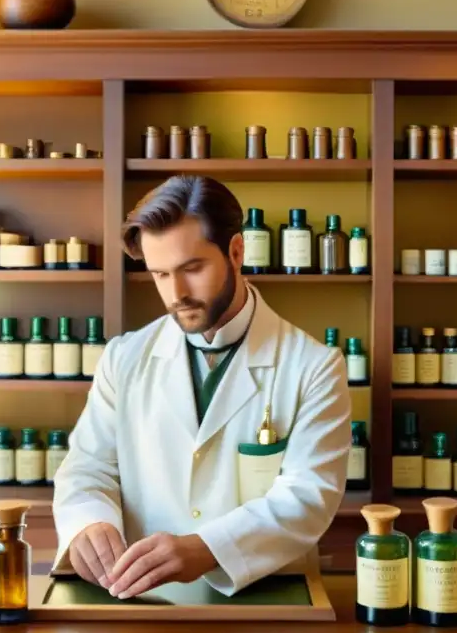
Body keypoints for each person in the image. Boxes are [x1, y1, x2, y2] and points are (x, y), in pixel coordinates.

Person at [51, 175, 352, 599]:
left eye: (192, 269)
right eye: (160, 274)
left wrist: (210, 548)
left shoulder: (313, 367)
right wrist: (89, 522)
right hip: (143, 602)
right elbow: (87, 468)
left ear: (236, 251)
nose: (176, 294)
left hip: (264, 599)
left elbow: (308, 497)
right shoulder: (124, 357)